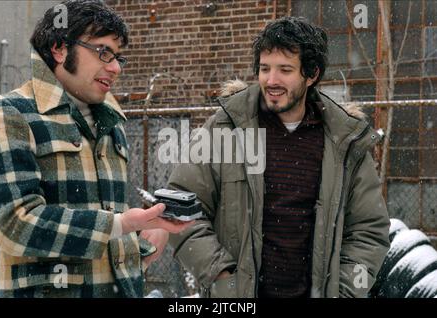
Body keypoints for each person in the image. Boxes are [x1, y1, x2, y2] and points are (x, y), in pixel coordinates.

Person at [167, 16, 390, 298]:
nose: (271, 80)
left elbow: (368, 231)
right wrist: (222, 277)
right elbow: (180, 206)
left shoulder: (344, 140)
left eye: (285, 69)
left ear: (311, 75)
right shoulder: (226, 127)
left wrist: (345, 292)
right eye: (264, 69)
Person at [0, 0, 191, 298]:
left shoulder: (111, 123)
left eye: (119, 57)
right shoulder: (8, 115)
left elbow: (105, 226)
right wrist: (122, 224)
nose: (116, 67)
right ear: (59, 48)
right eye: (103, 52)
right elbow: (14, 225)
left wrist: (144, 238)